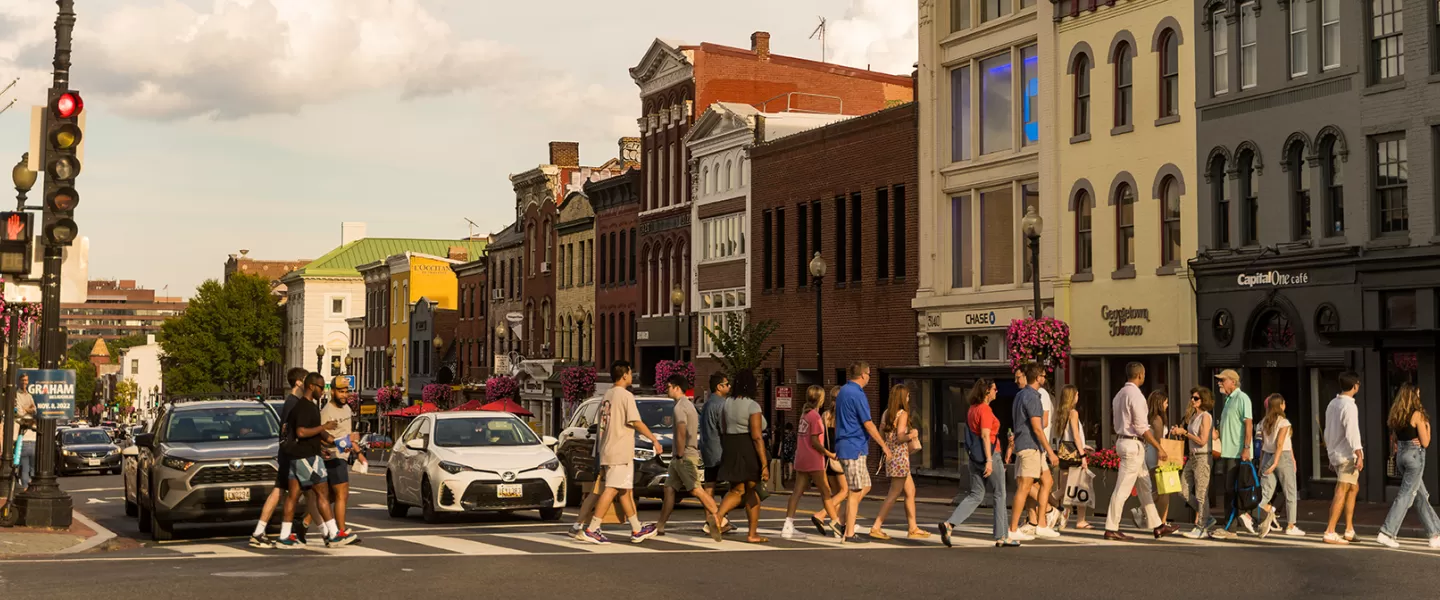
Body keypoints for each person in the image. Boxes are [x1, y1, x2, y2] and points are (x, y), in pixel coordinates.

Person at [581, 361, 661, 544]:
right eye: (631, 372)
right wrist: (653, 439)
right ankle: (593, 528)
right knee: (611, 489)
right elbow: (635, 421)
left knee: (625, 490)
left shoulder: (606, 395)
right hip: (620, 450)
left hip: (608, 448)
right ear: (625, 375)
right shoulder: (625, 396)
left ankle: (636, 528)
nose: (632, 376)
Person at [939, 379, 1017, 547]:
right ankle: (1002, 536)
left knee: (976, 495)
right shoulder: (985, 410)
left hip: (974, 458)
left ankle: (949, 524)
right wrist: (989, 460)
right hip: (990, 455)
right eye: (995, 389)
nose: (997, 391)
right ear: (987, 391)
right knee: (1000, 494)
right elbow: (985, 435)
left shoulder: (971, 410)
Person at [1103, 362, 1175, 541]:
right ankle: (1111, 527)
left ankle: (1158, 525)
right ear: (1141, 375)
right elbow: (1141, 427)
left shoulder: (1119, 394)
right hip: (1132, 444)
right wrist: (1159, 448)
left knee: (1145, 486)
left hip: (1124, 441)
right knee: (1123, 488)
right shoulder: (1136, 396)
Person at [278, 372, 351, 548]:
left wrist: (334, 441)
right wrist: (324, 427)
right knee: (322, 494)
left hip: (298, 457)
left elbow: (319, 432)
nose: (323, 391)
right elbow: (302, 432)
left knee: (293, 497)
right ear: (311, 386)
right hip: (307, 457)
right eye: (321, 387)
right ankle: (333, 534)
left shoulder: (307, 407)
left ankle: (284, 536)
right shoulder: (305, 407)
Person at [250, 368, 317, 548]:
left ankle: (259, 531)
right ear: (298, 383)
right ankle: (327, 532)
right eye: (306, 380)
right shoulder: (294, 404)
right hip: (292, 454)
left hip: (288, 453)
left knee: (281, 491)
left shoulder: (291, 402)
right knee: (310, 493)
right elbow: (290, 431)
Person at [834, 362, 892, 543]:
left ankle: (841, 522)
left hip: (846, 444)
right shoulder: (858, 394)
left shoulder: (843, 391)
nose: (869, 378)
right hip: (854, 447)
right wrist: (883, 445)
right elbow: (868, 423)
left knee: (865, 485)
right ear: (863, 375)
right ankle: (849, 532)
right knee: (854, 490)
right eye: (869, 374)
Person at [655, 374, 721, 536]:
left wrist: (679, 454)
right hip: (680, 457)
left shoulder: (680, 407)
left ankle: (721, 520)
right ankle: (660, 525)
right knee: (669, 489)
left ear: (677, 387)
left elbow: (682, 431)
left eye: (669, 386)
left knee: (696, 489)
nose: (667, 389)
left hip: (684, 456)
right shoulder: (688, 405)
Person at [1377, 384, 1440, 548]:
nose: (1419, 396)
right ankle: (1387, 532)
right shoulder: (1417, 414)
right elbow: (1425, 442)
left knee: (1421, 495)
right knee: (1406, 495)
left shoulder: (1396, 413)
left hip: (1402, 456)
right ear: (1413, 395)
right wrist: (1427, 427)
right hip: (1414, 456)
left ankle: (1435, 534)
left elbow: (1394, 440)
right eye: (1418, 393)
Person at [713, 369, 770, 543]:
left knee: (739, 489)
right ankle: (750, 533)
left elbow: (721, 427)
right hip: (747, 448)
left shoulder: (726, 403)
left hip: (730, 446)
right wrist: (764, 464)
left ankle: (718, 517)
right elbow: (756, 436)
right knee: (750, 489)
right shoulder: (753, 405)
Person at [1007, 363, 1060, 540]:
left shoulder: (1021, 395)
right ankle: (1013, 529)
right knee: (1024, 487)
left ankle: (1041, 524)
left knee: (1047, 481)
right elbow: (1038, 427)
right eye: (1043, 375)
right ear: (1038, 377)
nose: (1045, 378)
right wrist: (1050, 451)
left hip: (1031, 447)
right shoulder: (1032, 397)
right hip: (1030, 446)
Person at [782, 385, 843, 540]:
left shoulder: (804, 415)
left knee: (797, 492)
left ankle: (788, 525)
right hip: (813, 459)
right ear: (820, 399)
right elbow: (815, 442)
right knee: (826, 492)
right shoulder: (815, 417)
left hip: (801, 458)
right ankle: (836, 524)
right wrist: (829, 454)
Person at [870, 385, 929, 540]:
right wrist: (912, 434)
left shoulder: (886, 414)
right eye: (908, 396)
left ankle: (913, 527)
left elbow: (881, 432)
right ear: (902, 398)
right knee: (894, 493)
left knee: (910, 491)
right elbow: (901, 436)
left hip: (892, 457)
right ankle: (876, 526)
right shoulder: (902, 414)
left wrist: (887, 444)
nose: (909, 399)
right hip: (900, 458)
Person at [1211, 369, 1255, 540]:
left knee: (1233, 490)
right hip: (1227, 452)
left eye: (1223, 380)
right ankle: (1234, 525)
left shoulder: (1241, 398)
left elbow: (1248, 424)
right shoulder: (1228, 400)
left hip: (1237, 453)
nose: (1219, 383)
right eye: (1219, 380)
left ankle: (1232, 527)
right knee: (1230, 490)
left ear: (1233, 382)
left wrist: (1246, 448)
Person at [1322, 371, 1363, 545]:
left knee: (1353, 488)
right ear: (1354, 386)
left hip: (1337, 452)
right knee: (1342, 489)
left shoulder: (1332, 404)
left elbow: (1328, 430)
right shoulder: (1349, 406)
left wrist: (1331, 454)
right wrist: (1359, 453)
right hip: (1347, 455)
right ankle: (1330, 531)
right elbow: (1352, 431)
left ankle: (1349, 529)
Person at [1172, 387, 1216, 539]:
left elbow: (1203, 440)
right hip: (1192, 457)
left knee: (1201, 493)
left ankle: (1201, 527)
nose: (1192, 400)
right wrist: (1179, 432)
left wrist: (1185, 433)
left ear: (1203, 400)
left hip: (1203, 457)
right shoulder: (1192, 416)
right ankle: (1207, 517)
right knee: (1182, 490)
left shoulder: (1206, 416)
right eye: (1192, 397)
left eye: (1196, 398)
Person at [319, 375, 359, 544]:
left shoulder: (347, 409)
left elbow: (347, 435)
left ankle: (303, 524)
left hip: (343, 455)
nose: (344, 395)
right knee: (342, 493)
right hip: (333, 456)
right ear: (332, 391)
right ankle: (341, 531)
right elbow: (319, 434)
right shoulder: (327, 411)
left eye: (346, 392)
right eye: (340, 392)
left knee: (329, 498)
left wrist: (358, 451)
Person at [1256, 393, 1301, 538]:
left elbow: (1263, 445)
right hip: (1282, 456)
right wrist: (1278, 461)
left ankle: (1266, 511)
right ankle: (1291, 525)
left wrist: (1262, 464)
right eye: (1283, 403)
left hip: (1267, 456)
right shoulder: (1284, 422)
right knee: (1290, 491)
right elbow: (1280, 443)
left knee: (1265, 492)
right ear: (1280, 405)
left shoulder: (1263, 422)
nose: (1285, 405)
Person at [811, 385, 850, 535]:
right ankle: (820, 514)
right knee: (845, 491)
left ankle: (837, 526)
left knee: (836, 494)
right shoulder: (842, 416)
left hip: (827, 459)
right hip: (838, 458)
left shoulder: (825, 415)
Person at [698, 371, 733, 536]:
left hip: (707, 449)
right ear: (719, 387)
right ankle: (720, 518)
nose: (729, 386)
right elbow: (724, 428)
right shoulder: (721, 405)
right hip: (720, 450)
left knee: (709, 485)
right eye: (727, 384)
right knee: (733, 486)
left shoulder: (706, 404)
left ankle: (709, 519)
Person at [1052, 385, 1091, 530]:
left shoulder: (1061, 413)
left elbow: (1067, 436)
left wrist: (1083, 445)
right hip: (1075, 454)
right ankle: (1080, 520)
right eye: (1076, 394)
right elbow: (1075, 435)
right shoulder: (1073, 413)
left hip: (1064, 453)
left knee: (1064, 489)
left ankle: (1059, 515)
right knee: (1080, 486)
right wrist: (1083, 455)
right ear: (1072, 397)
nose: (1078, 396)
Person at [1136, 390, 1172, 528]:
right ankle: (1161, 521)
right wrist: (1162, 454)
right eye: (1166, 402)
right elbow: (1158, 439)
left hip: (1151, 454)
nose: (1167, 405)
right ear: (1160, 402)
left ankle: (1145, 511)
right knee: (1165, 490)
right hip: (1158, 454)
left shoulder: (1150, 418)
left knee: (1162, 489)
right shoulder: (1157, 419)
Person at [14, 374, 36, 490]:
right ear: (19, 381)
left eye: (26, 380)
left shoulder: (29, 396)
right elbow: (20, 413)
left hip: (31, 441)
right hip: (23, 439)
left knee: (30, 469)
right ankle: (25, 489)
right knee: (26, 468)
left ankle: (28, 488)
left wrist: (25, 408)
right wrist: (29, 409)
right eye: (22, 380)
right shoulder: (16, 395)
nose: (24, 382)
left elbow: (35, 409)